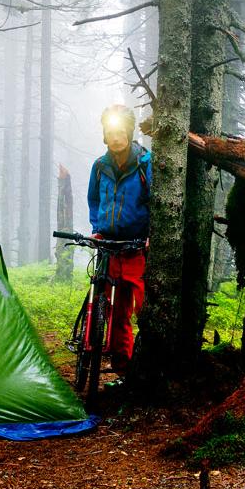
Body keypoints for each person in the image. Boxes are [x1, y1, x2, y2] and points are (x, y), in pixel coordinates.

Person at [87, 104, 151, 372]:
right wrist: (96, 226)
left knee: (140, 307)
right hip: (107, 245)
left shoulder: (145, 163)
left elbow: (155, 202)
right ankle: (106, 356)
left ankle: (137, 363)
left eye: (120, 131)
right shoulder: (100, 166)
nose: (115, 137)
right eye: (110, 132)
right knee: (108, 303)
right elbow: (93, 199)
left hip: (136, 246)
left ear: (129, 131)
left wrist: (151, 235)